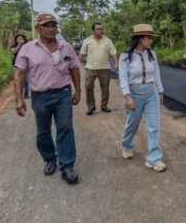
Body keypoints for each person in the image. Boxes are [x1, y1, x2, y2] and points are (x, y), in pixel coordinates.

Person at [13, 13, 82, 185]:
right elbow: (19, 74)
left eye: (53, 25)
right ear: (38, 28)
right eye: (46, 25)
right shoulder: (28, 48)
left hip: (63, 94)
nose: (51, 29)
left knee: (65, 128)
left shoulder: (66, 47)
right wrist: (19, 99)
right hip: (40, 96)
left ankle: (67, 166)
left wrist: (78, 91)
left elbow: (74, 69)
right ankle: (50, 159)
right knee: (43, 130)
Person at [119, 24, 166, 172]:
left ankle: (153, 159)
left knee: (154, 127)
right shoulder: (125, 56)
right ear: (140, 39)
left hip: (151, 93)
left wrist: (160, 92)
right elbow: (123, 78)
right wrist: (127, 96)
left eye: (151, 37)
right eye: (148, 37)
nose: (151, 40)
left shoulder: (152, 54)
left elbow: (156, 74)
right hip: (134, 94)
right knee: (132, 125)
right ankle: (127, 145)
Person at [78, 22, 118, 115]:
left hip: (104, 68)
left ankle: (104, 106)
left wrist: (116, 63)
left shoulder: (107, 41)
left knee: (105, 88)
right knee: (88, 87)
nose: (101, 30)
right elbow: (81, 54)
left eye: (102, 29)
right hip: (90, 68)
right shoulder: (87, 41)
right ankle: (91, 107)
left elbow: (114, 53)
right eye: (98, 29)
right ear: (93, 30)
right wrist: (76, 64)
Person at [11, 34, 29, 99]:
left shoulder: (27, 46)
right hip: (16, 65)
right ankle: (18, 94)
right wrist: (19, 45)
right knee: (17, 79)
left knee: (25, 79)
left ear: (24, 40)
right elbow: (14, 51)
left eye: (21, 39)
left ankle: (26, 92)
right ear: (16, 40)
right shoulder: (14, 46)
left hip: (25, 65)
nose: (20, 40)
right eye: (18, 39)